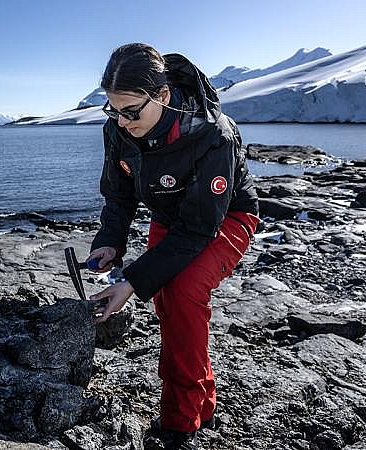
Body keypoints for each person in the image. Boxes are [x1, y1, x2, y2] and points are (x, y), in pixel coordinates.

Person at [86, 43, 260, 450]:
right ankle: (204, 400)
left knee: (182, 294)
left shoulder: (213, 133)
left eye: (132, 111)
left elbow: (199, 228)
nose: (123, 122)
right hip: (170, 219)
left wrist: (129, 283)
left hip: (225, 217)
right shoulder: (118, 129)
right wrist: (110, 242)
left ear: (162, 96)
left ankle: (179, 422)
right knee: (166, 301)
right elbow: (119, 194)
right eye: (114, 110)